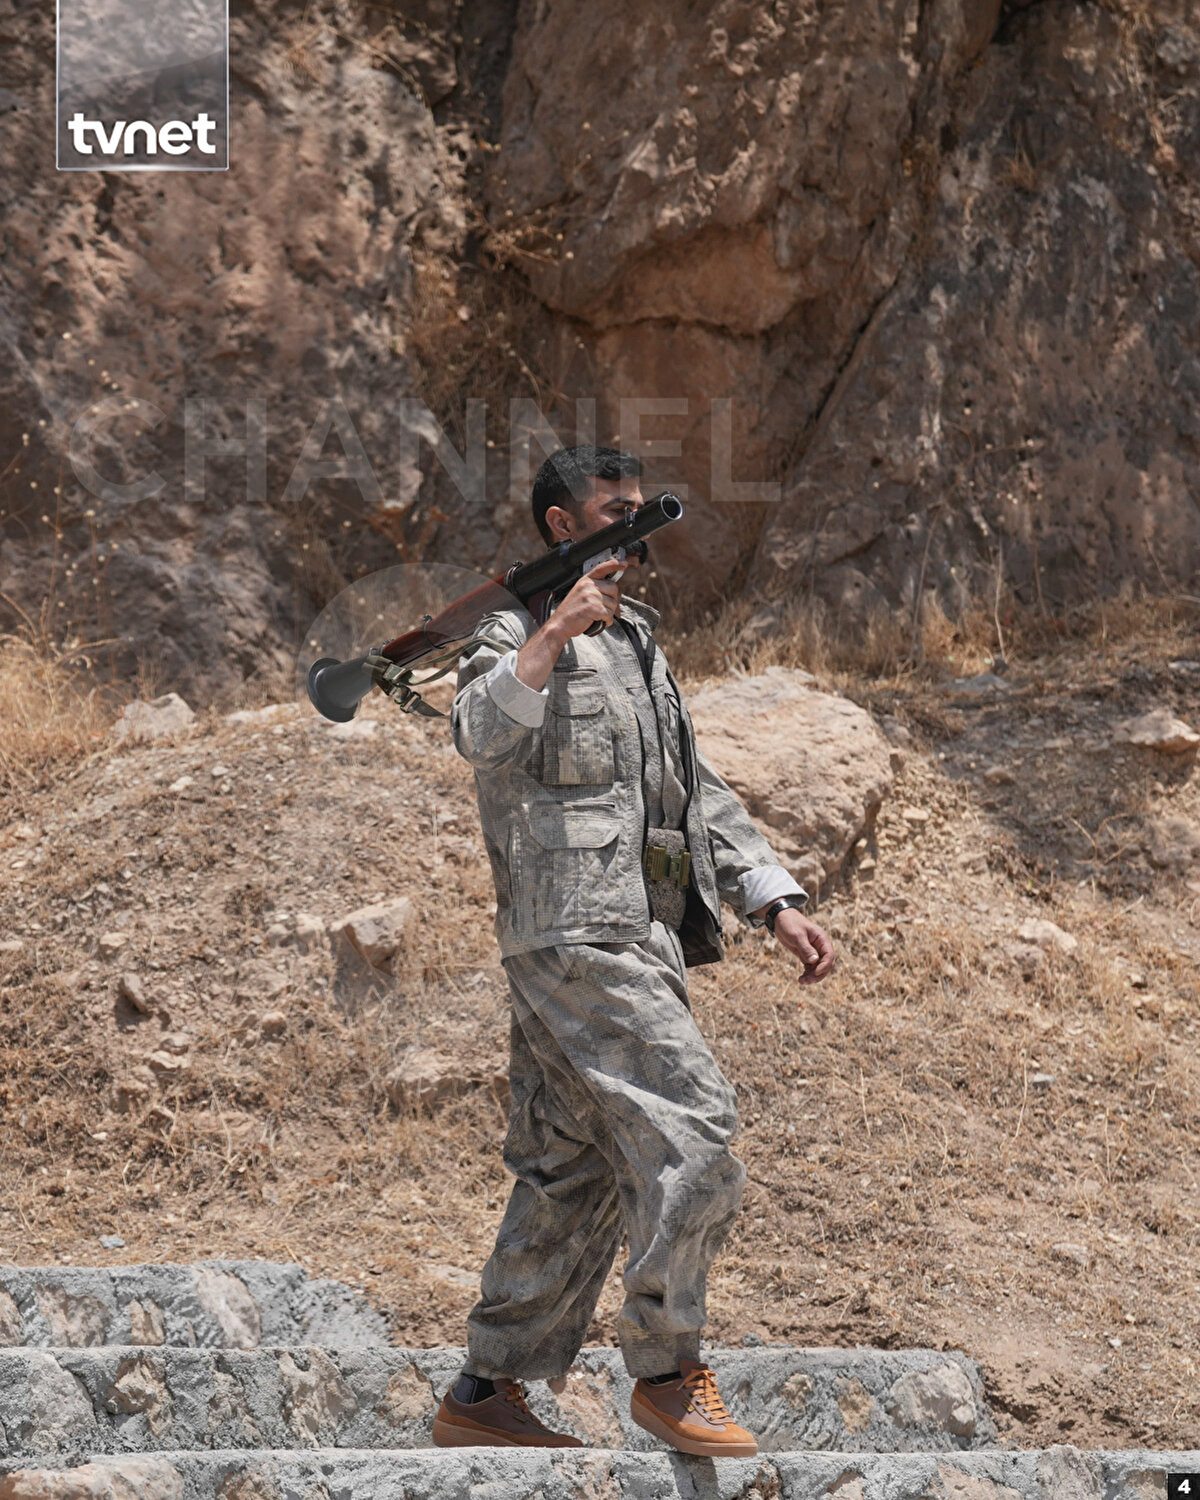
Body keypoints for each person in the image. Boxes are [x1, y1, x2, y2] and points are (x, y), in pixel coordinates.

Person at [432, 445, 834, 1456]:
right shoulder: (516, 627)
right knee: (694, 1125)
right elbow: (478, 732)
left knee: (570, 1167)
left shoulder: (640, 641)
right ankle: (664, 1370)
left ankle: (486, 1390)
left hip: (642, 929)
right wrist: (555, 631)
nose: (640, 525)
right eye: (618, 509)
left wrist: (770, 897)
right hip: (571, 926)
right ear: (566, 526)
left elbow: (693, 793)